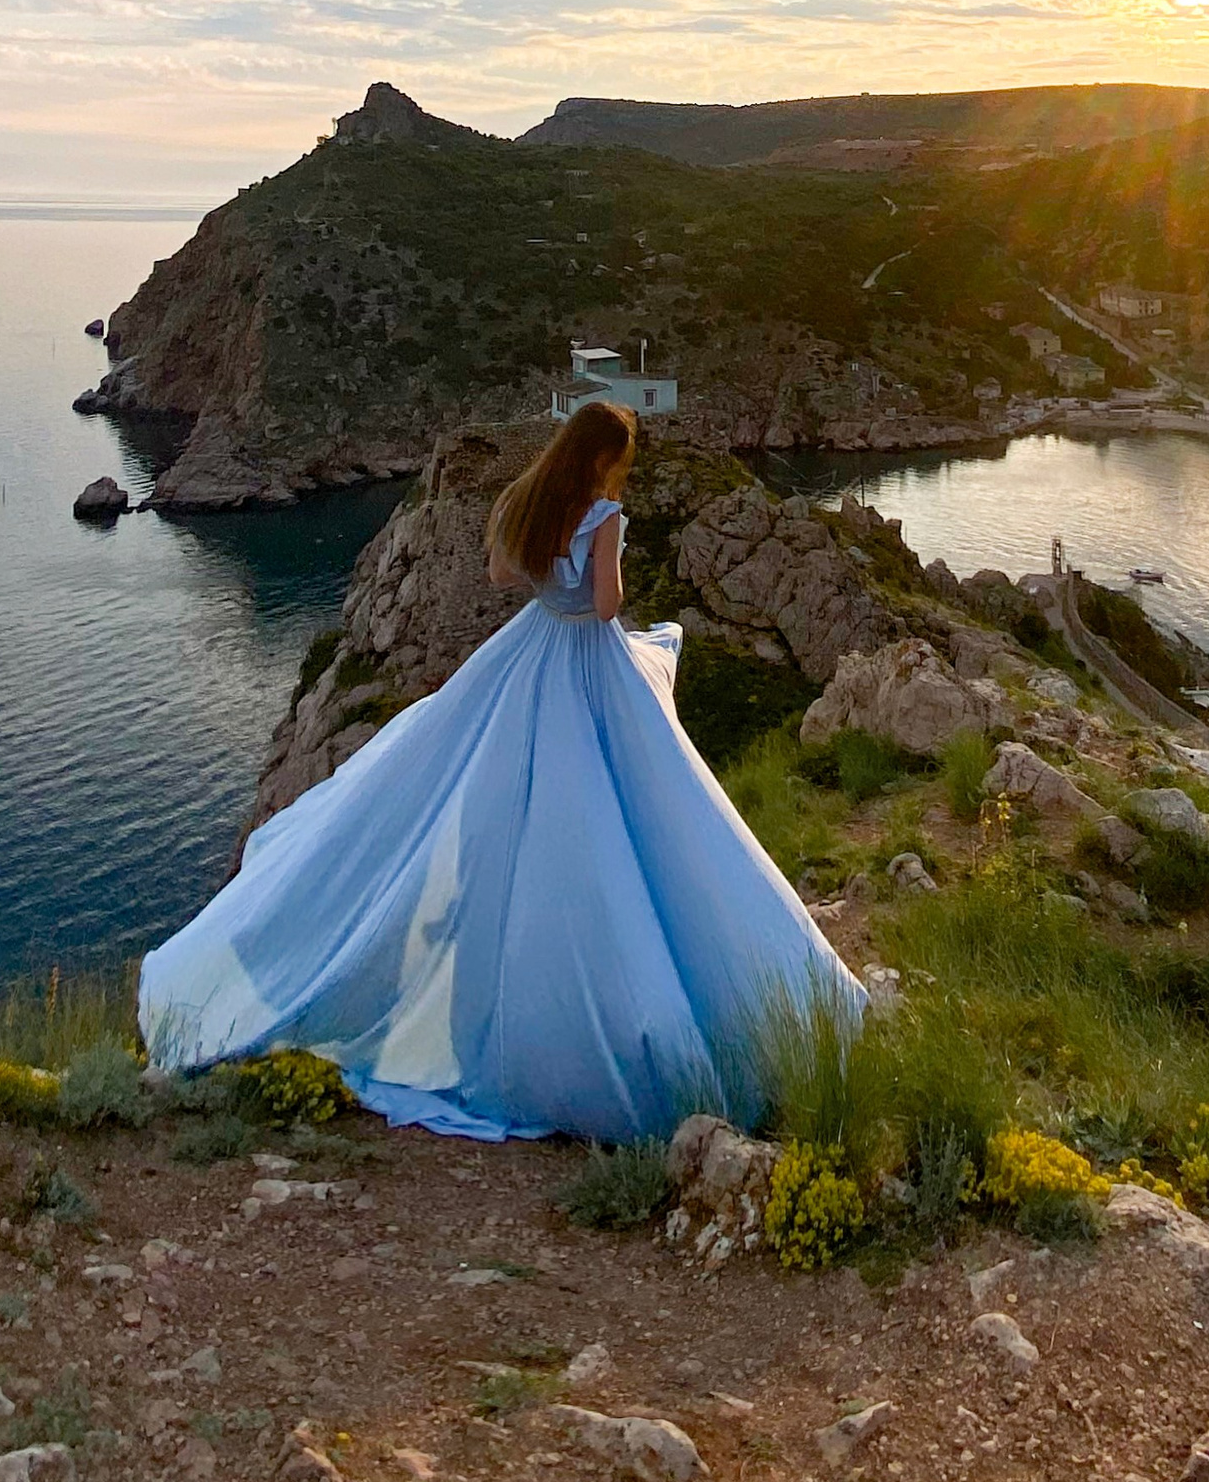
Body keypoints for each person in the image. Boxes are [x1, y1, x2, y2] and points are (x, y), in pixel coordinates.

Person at [137, 398, 863, 1141]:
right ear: (601, 458)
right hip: (588, 662)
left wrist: (552, 578)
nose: (623, 469)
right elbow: (608, 607)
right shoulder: (603, 515)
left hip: (528, 652)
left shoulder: (527, 499)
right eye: (620, 458)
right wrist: (600, 564)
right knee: (631, 805)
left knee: (498, 797)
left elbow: (498, 572)